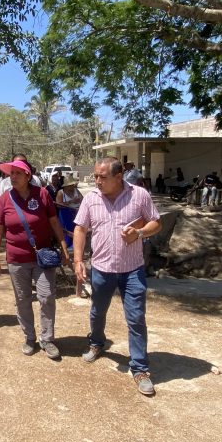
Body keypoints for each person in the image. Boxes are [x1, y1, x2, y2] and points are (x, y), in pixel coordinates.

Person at [73, 157, 162, 396]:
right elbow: (80, 228)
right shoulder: (91, 198)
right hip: (101, 269)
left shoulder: (139, 195)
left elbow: (156, 223)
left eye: (102, 177)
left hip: (132, 270)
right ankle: (96, 343)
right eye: (95, 176)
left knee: (136, 318)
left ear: (118, 177)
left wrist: (140, 233)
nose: (97, 181)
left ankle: (140, 368)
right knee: (97, 311)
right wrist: (78, 260)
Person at [0, 160, 70, 359]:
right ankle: (29, 337)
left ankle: (47, 339)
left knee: (47, 296)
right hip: (17, 259)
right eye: (11, 173)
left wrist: (64, 247)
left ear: (28, 176)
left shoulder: (42, 194)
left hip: (43, 257)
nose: (13, 177)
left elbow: (54, 222)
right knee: (22, 299)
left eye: (17, 173)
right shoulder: (5, 199)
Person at [54, 175, 87, 298]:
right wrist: (70, 202)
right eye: (70, 185)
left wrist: (78, 202)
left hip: (75, 214)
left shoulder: (76, 191)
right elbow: (58, 205)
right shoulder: (61, 193)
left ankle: (76, 248)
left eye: (73, 185)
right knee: (66, 233)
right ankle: (66, 250)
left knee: (76, 233)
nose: (72, 187)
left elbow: (83, 200)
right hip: (65, 214)